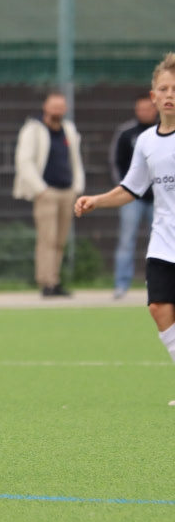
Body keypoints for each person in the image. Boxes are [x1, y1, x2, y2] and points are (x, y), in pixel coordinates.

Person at [75, 52, 175, 405]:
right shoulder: (147, 141)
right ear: (152, 97)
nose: (169, 94)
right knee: (159, 307)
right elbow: (131, 188)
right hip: (164, 242)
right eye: (163, 88)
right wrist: (96, 200)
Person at [13, 91, 85, 297]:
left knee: (60, 240)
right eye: (54, 106)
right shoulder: (33, 130)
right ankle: (46, 282)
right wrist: (40, 189)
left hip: (67, 191)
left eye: (61, 106)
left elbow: (75, 160)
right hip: (47, 192)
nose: (57, 110)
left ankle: (55, 279)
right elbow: (24, 161)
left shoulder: (68, 130)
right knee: (47, 239)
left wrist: (77, 186)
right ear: (45, 107)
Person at [109, 96, 158, 299]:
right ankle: (121, 285)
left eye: (148, 108)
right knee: (126, 241)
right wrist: (126, 189)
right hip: (132, 199)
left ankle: (159, 285)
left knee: (162, 242)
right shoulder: (127, 133)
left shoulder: (166, 132)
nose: (144, 112)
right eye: (140, 108)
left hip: (160, 198)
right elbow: (116, 162)